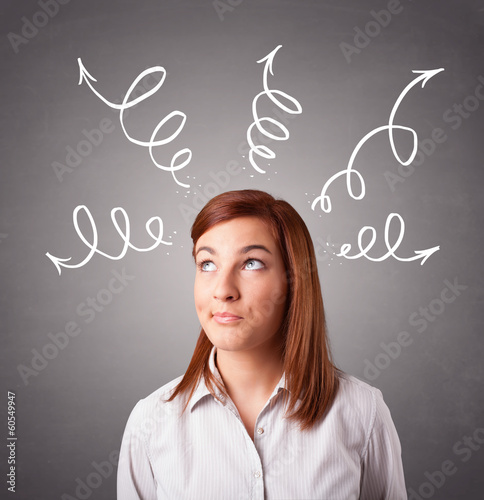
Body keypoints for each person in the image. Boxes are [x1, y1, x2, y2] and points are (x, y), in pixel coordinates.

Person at [117, 189, 407, 499]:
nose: (223, 290)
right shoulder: (150, 420)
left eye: (251, 263)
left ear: (293, 281)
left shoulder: (362, 412)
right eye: (207, 263)